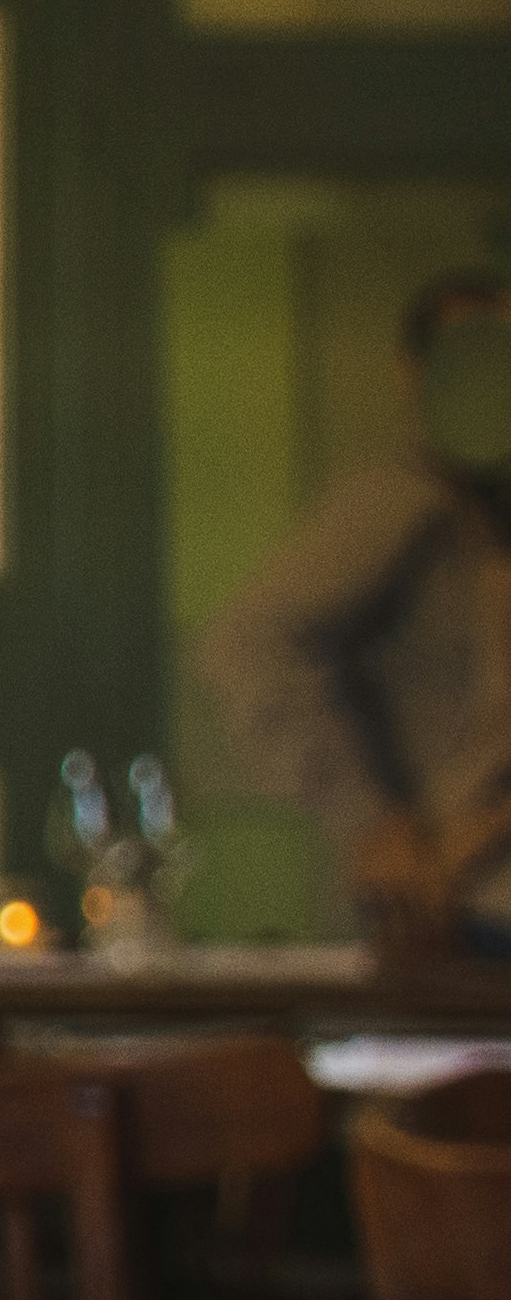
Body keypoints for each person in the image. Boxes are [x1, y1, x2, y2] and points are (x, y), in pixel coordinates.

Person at [198, 268, 511, 959]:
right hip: (453, 923)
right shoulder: (404, 503)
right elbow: (247, 643)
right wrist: (374, 827)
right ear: (416, 374)